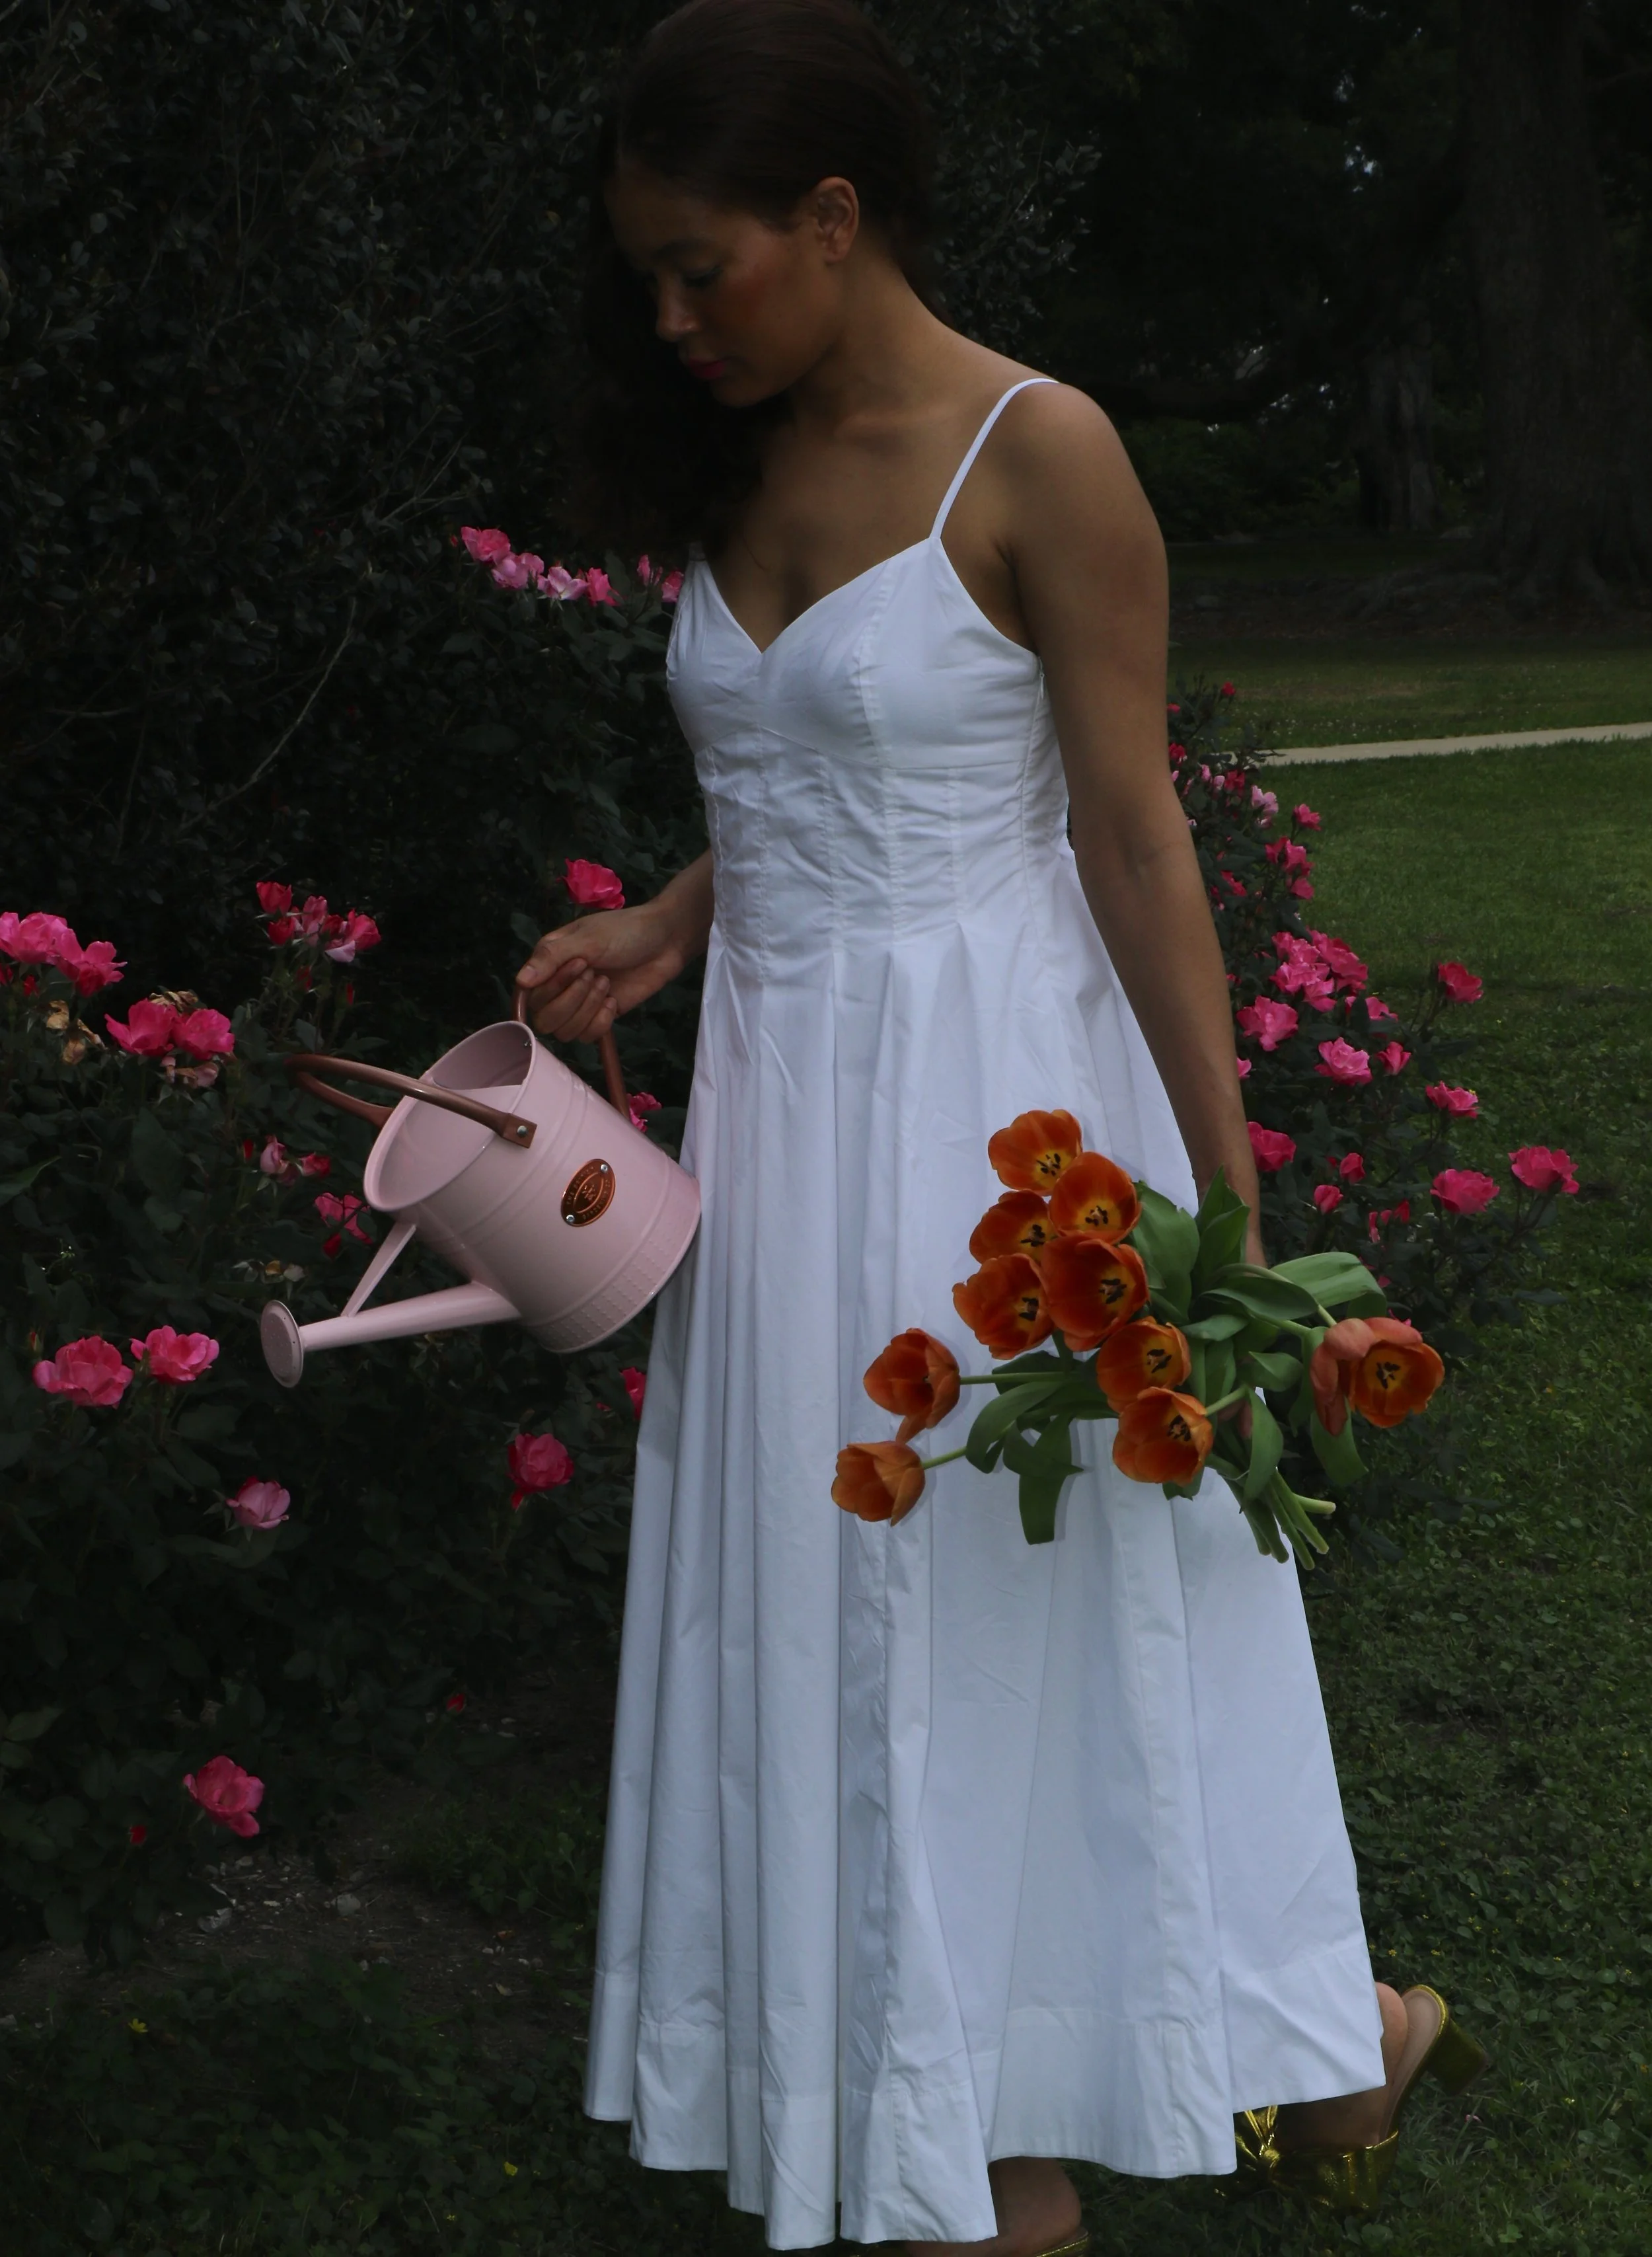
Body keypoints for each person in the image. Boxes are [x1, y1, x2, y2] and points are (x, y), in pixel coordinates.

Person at [515, 4, 1480, 2250]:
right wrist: (674, 910)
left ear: (833, 216)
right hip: (783, 1111)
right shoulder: (734, 452)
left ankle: (1003, 2144)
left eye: (697, 268)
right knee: (841, 1586)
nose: (667, 320)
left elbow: (1127, 832)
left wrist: (1229, 1212)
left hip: (997, 1119)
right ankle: (1321, 2049)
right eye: (644, 277)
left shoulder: (1041, 455)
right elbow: (822, 750)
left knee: (1007, 1594)